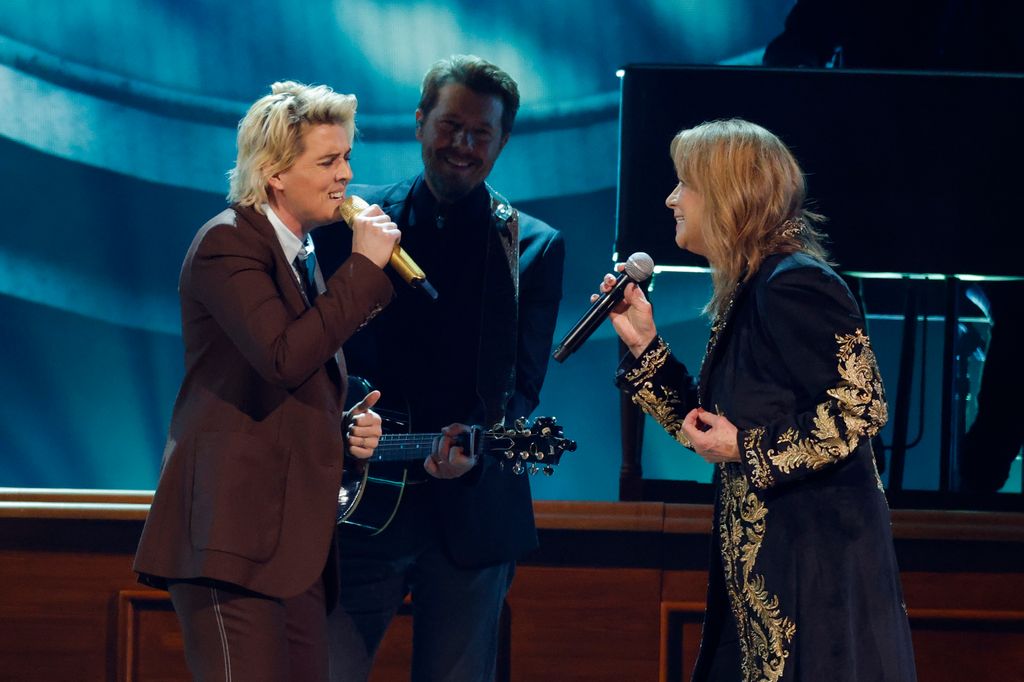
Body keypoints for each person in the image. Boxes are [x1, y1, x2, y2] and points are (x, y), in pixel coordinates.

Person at [600, 119, 916, 681]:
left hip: (812, 578)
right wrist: (644, 343)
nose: (672, 198)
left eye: (685, 184)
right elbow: (707, 432)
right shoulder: (754, 288)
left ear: (726, 193)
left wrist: (746, 444)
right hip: (762, 578)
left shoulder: (795, 282)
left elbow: (859, 408)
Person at [133, 80, 402, 681]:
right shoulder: (228, 244)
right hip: (232, 543)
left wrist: (345, 432)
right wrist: (362, 268)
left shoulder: (297, 256)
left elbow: (283, 389)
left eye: (347, 158)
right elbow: (282, 356)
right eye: (328, 161)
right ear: (276, 172)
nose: (345, 176)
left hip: (290, 551)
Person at [313, 55, 565, 681]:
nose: (464, 145)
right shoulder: (355, 222)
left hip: (472, 515)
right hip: (357, 505)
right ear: (420, 122)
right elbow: (317, 351)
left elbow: (523, 385)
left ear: (502, 142)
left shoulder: (532, 245)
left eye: (482, 133)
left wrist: (477, 439)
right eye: (450, 126)